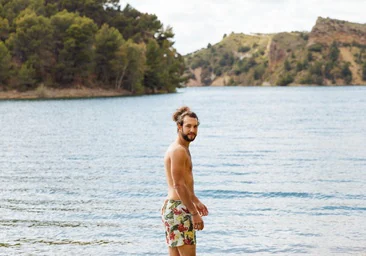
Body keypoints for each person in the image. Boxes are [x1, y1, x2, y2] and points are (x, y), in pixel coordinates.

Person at [161, 106, 209, 256]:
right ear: (179, 126)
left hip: (174, 208)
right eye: (188, 126)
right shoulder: (178, 151)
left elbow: (183, 182)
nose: (192, 130)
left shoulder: (181, 148)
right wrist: (194, 213)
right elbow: (178, 184)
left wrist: (195, 200)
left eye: (195, 126)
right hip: (179, 210)